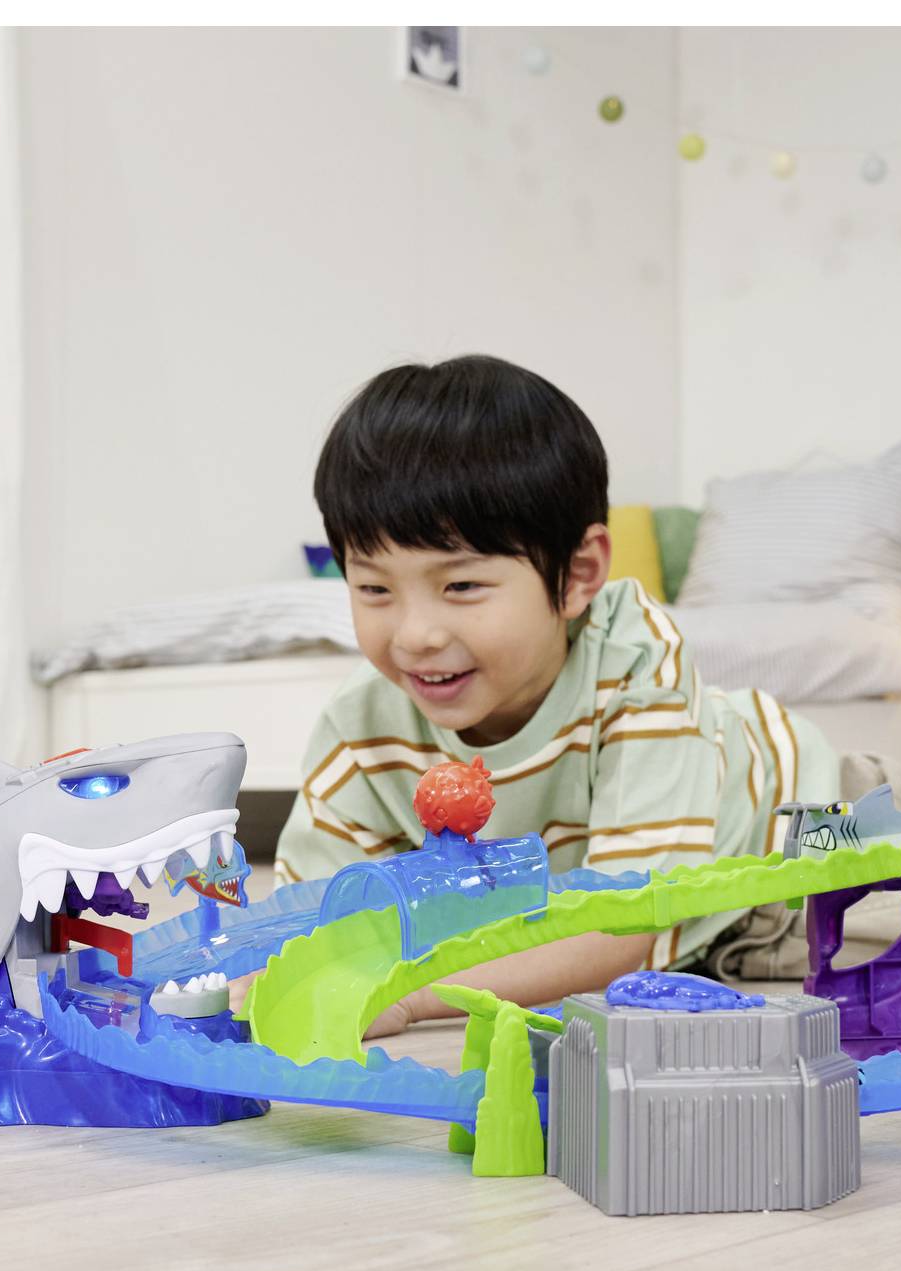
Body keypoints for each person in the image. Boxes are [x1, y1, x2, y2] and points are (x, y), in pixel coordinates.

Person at [271, 354, 839, 1035]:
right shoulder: (359, 728)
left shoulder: (634, 662)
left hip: (788, 835)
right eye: (374, 590)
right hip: (668, 927)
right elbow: (311, 922)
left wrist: (414, 992)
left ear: (577, 576)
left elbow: (619, 930)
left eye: (461, 587)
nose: (415, 635)